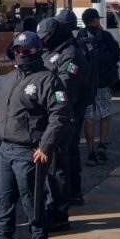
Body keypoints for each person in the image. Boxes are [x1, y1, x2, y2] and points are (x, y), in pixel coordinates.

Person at [0, 31, 72, 239]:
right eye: (17, 50)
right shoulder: (9, 78)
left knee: (33, 204)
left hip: (30, 153)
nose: (20, 55)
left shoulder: (49, 80)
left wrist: (46, 146)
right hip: (5, 151)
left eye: (26, 51)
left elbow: (60, 115)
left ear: (37, 51)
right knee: (1, 202)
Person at [37, 11, 89, 213]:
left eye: (46, 38)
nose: (44, 42)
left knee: (62, 162)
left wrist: (40, 95)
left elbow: (64, 90)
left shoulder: (72, 55)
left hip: (65, 114)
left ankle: (63, 205)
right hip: (48, 114)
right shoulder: (49, 50)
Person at [77, 8, 118, 166]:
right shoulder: (105, 35)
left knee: (88, 118)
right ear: (95, 20)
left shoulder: (79, 36)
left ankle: (91, 152)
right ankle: (102, 144)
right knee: (105, 113)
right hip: (102, 82)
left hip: (86, 84)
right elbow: (116, 54)